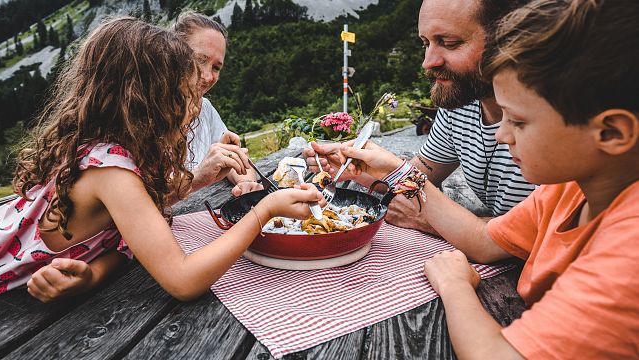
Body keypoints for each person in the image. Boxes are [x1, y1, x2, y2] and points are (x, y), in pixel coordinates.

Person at [0, 18, 325, 358]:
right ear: (150, 102)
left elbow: (119, 246)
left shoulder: (124, 160)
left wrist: (91, 275)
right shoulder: (112, 171)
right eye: (187, 93)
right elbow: (183, 280)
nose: (198, 103)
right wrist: (263, 212)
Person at [332, 0, 639, 357]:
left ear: (613, 133)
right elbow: (484, 241)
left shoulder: (629, 249)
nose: (500, 134)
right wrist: (391, 170)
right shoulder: (569, 189)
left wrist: (455, 285)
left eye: (518, 121)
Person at [305, 0, 536, 235]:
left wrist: (429, 220)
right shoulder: (460, 104)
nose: (428, 62)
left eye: (449, 43)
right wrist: (350, 168)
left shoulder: (552, 115)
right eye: (425, 43)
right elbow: (417, 179)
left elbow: (542, 232)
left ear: (507, 40)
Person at [170, 11, 262, 197]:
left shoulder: (205, 108)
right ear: (172, 52)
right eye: (200, 60)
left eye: (216, 67)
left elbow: (232, 159)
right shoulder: (143, 110)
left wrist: (246, 182)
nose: (207, 76)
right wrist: (197, 177)